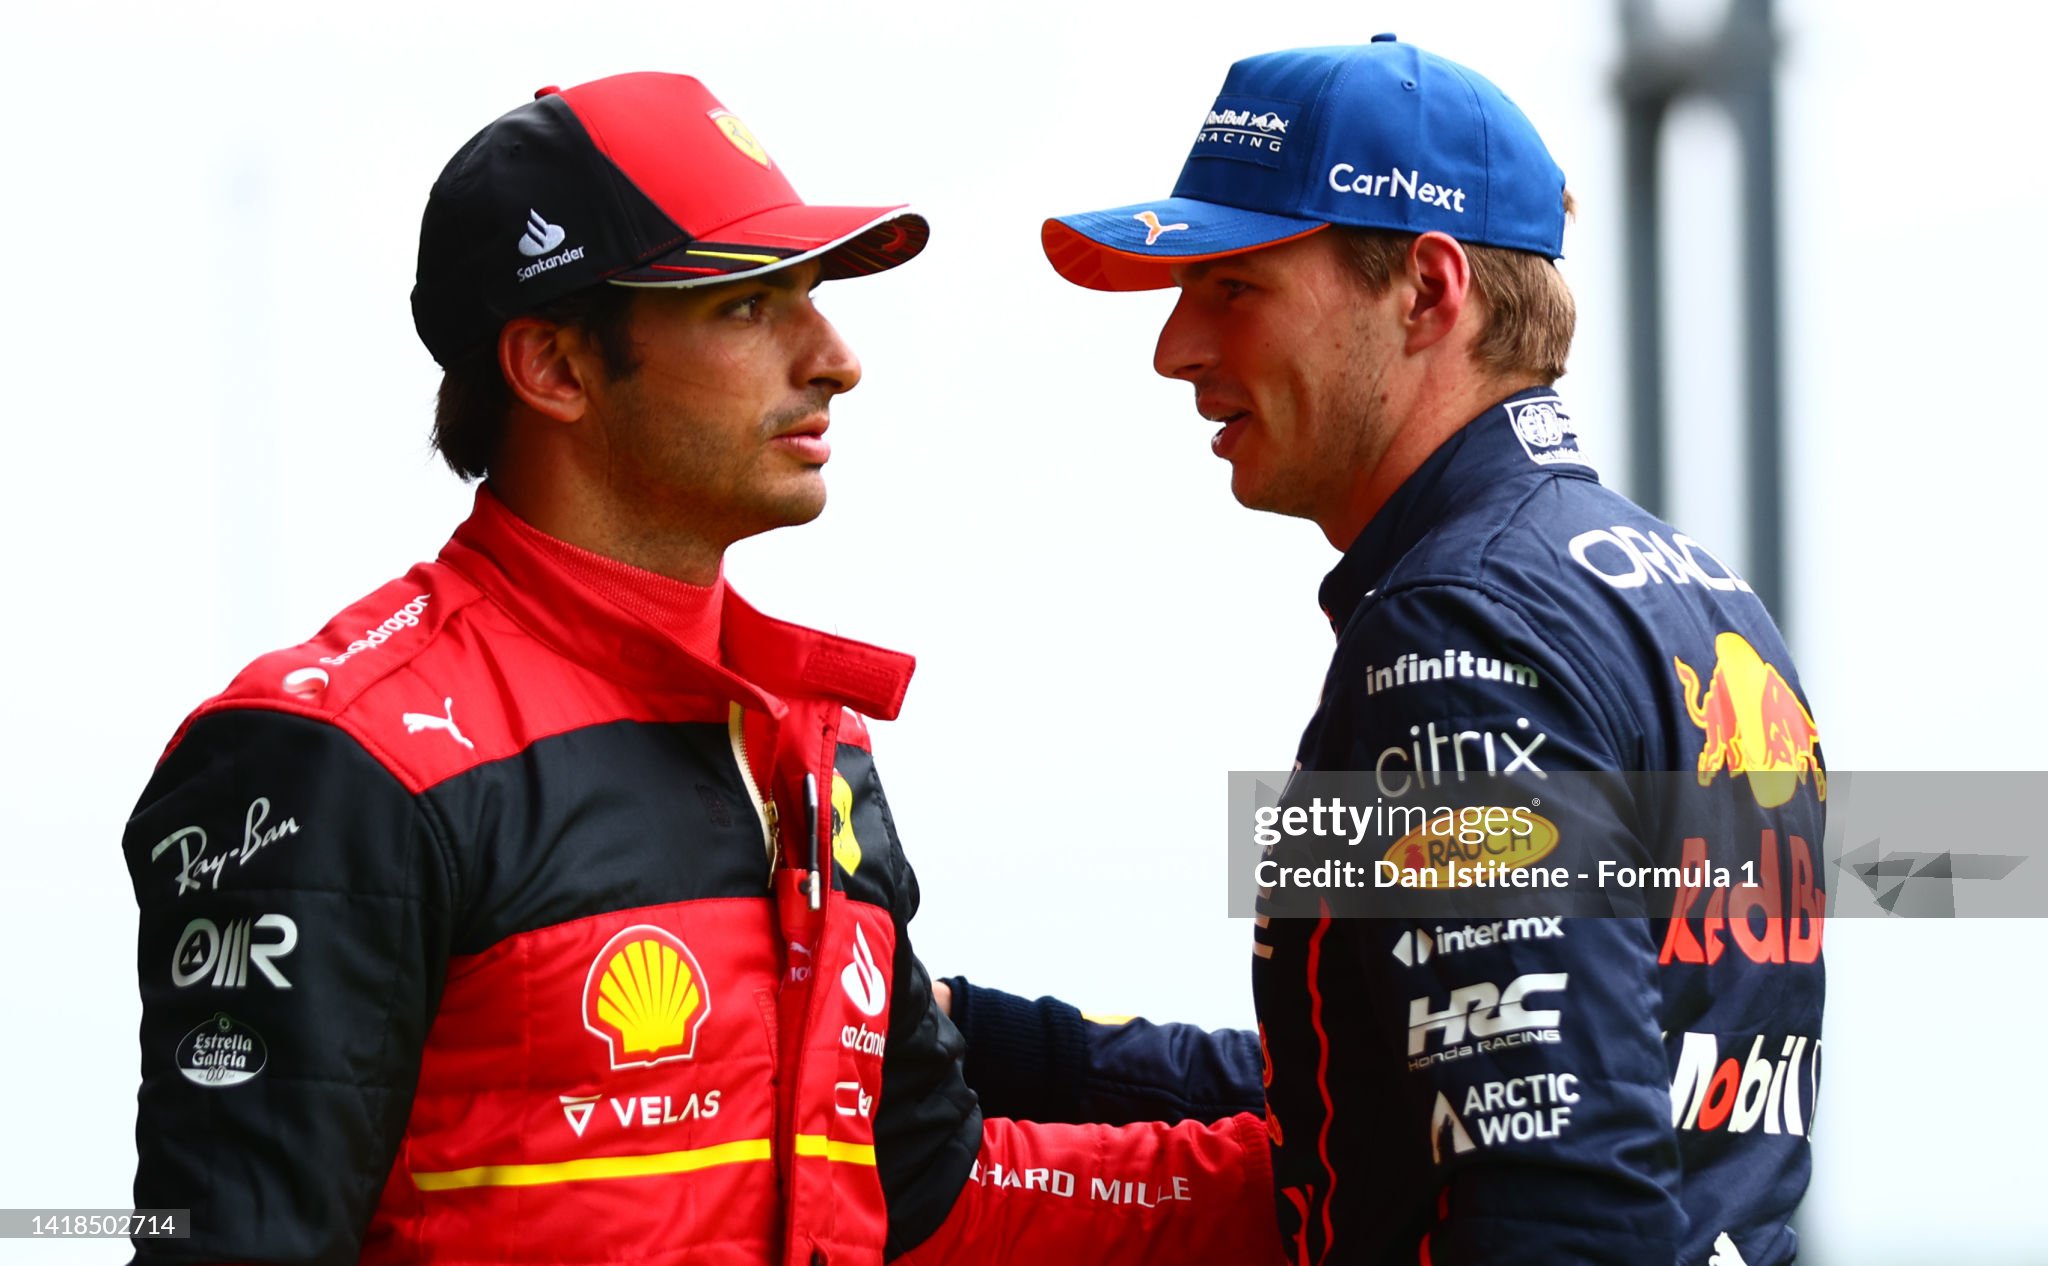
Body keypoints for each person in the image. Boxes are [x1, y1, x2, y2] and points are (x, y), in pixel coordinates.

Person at [121, 71, 1282, 1266]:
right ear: (555, 370)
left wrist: (1345, 1173)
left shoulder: (807, 737)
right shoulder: (338, 753)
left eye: (813, 297)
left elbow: (927, 1201)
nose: (834, 358)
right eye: (746, 305)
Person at [940, 37, 1825, 1266]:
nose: (1175, 348)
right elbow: (1391, 1078)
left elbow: (1556, 1188)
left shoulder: (1452, 626)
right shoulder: (1691, 592)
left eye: (1233, 285)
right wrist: (975, 1037)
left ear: (1425, 288)